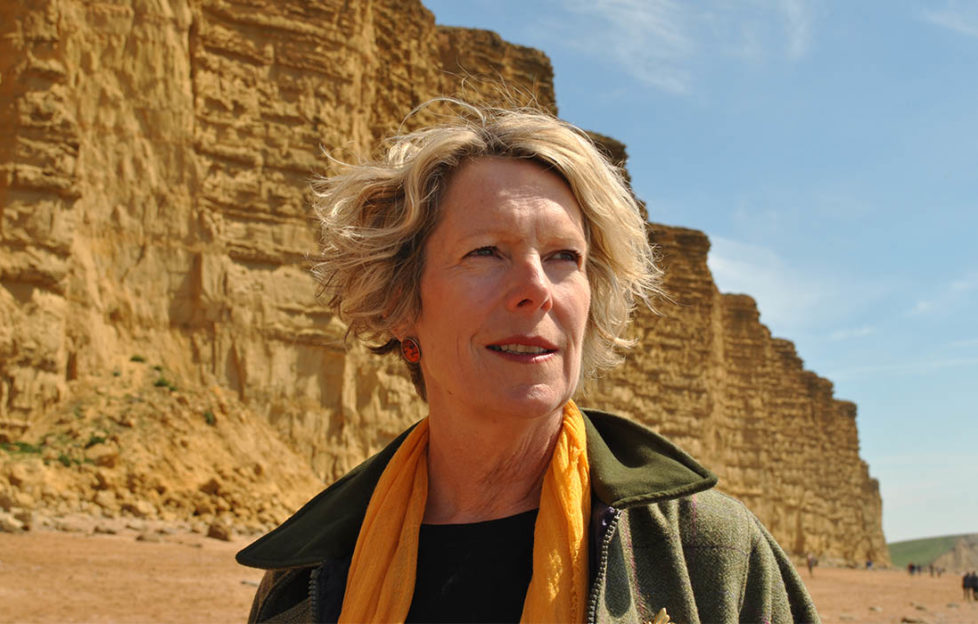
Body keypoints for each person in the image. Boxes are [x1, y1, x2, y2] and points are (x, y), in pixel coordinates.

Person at [236, 102, 820, 623]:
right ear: (399, 303)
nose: (536, 289)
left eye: (565, 257)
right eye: (486, 251)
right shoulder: (309, 575)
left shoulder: (706, 552)